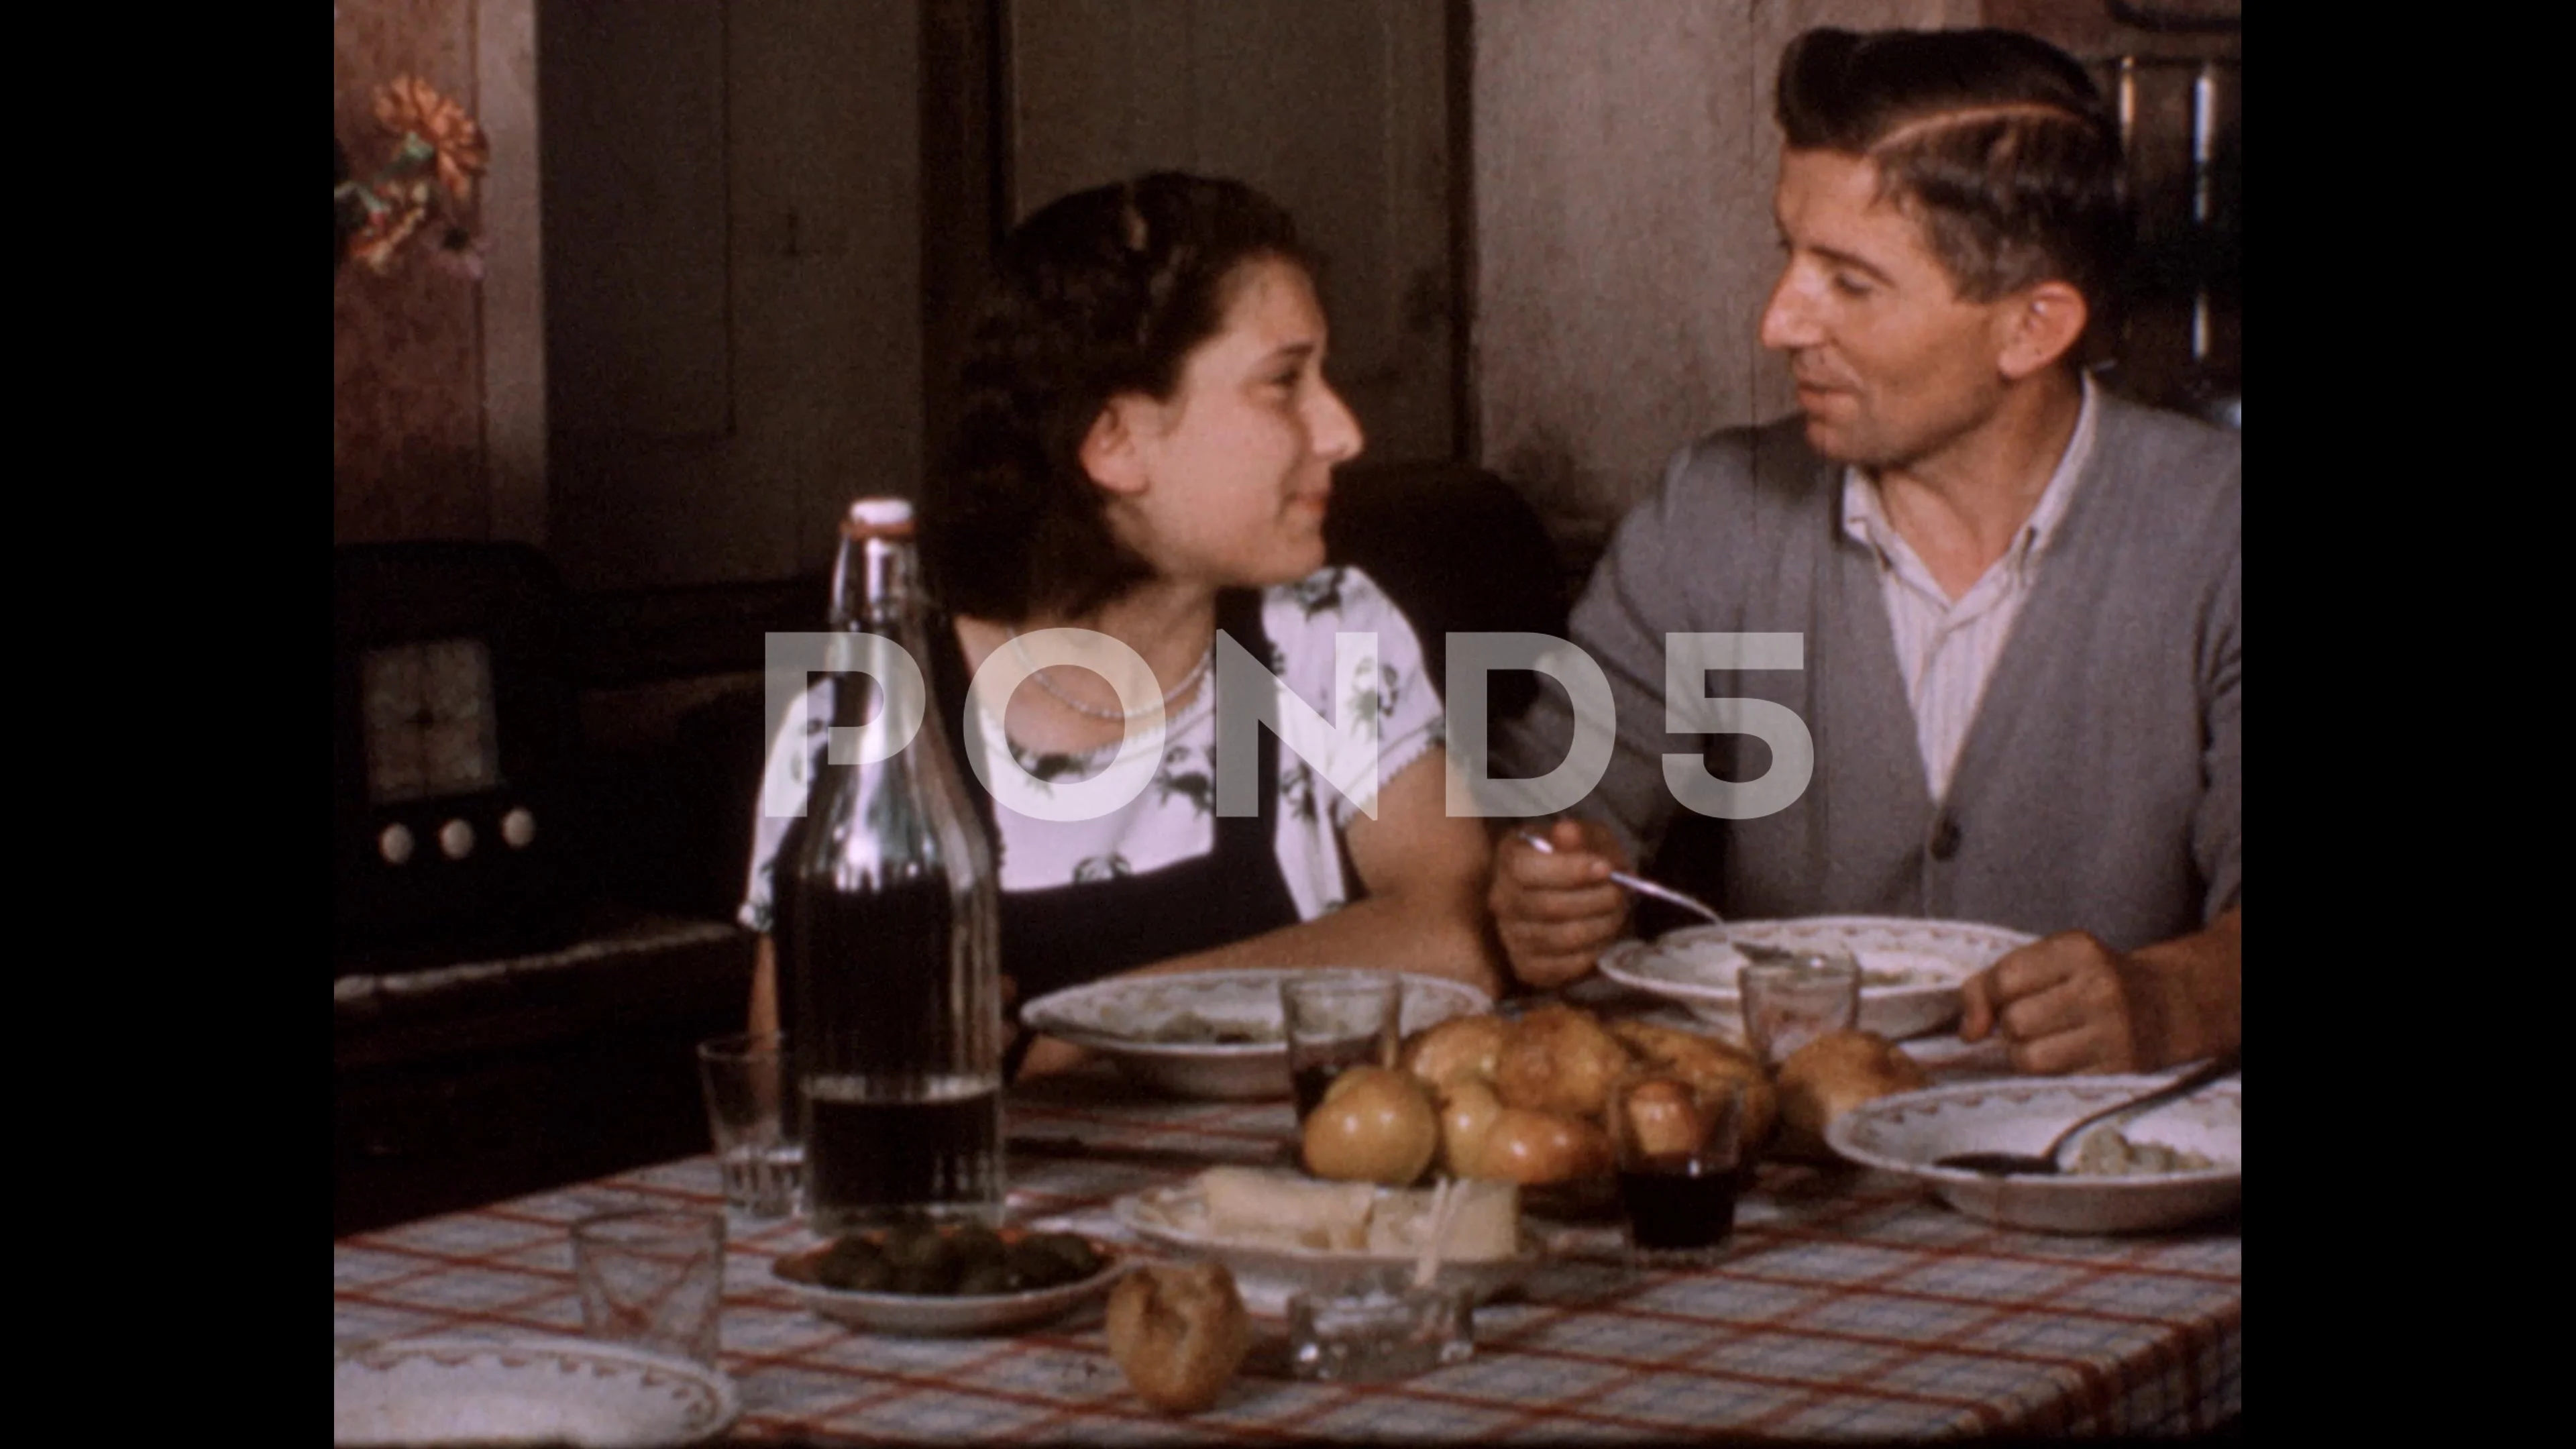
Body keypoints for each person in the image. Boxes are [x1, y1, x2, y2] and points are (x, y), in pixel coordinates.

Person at [1485, 28, 2239, 1076]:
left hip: (2112, 1177)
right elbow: (1541, 814)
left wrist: (2173, 998)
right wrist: (1539, 886)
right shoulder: (1714, 511)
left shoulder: (2218, 529)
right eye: (1788, 254)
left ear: (2031, 329)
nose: (1779, 320)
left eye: (1850, 281)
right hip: (1790, 1182)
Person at [743, 172, 1501, 1076]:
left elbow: (1450, 941)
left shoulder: (1326, 633)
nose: (1341, 431)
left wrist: (1082, 1035)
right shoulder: (874, 722)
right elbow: (785, 1075)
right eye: (1283, 384)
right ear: (1115, 443)